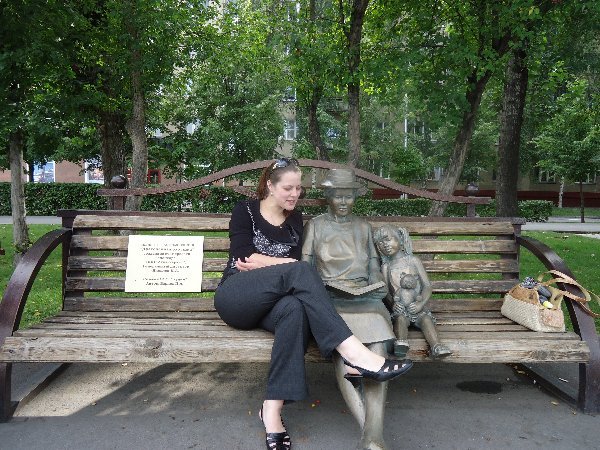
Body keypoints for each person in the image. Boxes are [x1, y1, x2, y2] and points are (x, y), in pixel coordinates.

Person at [214, 159, 411, 450]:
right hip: (237, 295)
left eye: (299, 188)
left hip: (274, 303)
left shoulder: (295, 219)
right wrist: (283, 264)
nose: (295, 194)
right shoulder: (245, 211)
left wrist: (271, 265)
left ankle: (271, 411)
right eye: (288, 188)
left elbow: (286, 271)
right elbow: (244, 257)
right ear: (270, 185)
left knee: (294, 311)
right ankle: (355, 354)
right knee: (300, 271)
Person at [301, 168, 412, 450]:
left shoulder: (364, 227)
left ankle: (371, 435)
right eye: (337, 195)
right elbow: (305, 268)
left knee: (378, 345)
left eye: (348, 196)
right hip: (329, 297)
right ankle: (372, 436)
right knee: (344, 348)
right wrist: (320, 288)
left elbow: (374, 266)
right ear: (328, 196)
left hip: (365, 298)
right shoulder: (315, 226)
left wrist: (376, 284)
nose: (343, 201)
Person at [373, 225, 452, 359]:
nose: (384, 245)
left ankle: (436, 346)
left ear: (400, 239)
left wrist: (421, 304)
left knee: (426, 320)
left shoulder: (413, 261)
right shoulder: (386, 267)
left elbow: (427, 286)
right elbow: (386, 291)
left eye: (387, 239)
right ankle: (401, 343)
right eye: (380, 243)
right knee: (400, 320)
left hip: (418, 308)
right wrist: (393, 304)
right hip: (401, 309)